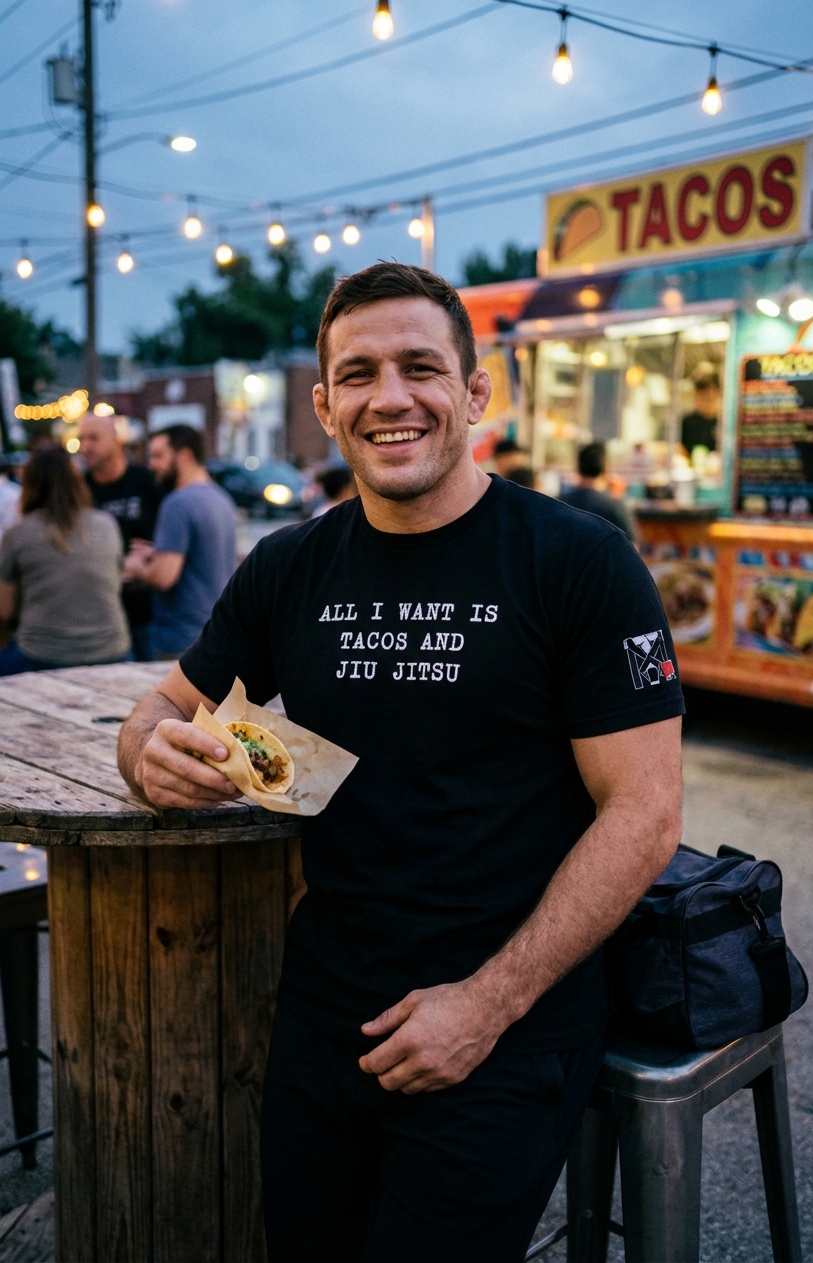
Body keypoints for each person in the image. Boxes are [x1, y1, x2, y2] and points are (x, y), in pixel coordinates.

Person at [117, 263, 683, 1263]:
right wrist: (145, 755)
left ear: (474, 392)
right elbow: (162, 704)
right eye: (359, 372)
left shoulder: (576, 560)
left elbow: (642, 812)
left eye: (420, 367)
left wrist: (485, 1005)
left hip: (506, 1020)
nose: (390, 397)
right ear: (324, 403)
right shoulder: (290, 564)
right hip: (323, 1004)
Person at [0, 444, 130, 673]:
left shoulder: (18, 532)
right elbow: (114, 586)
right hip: (112, 651)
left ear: (29, 484)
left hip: (41, 654)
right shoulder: (107, 524)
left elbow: (5, 610)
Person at [122, 424, 237, 660]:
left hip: (180, 641)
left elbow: (164, 577)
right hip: (215, 635)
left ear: (184, 456)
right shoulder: (221, 499)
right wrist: (159, 552)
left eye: (158, 456)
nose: (151, 464)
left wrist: (135, 566)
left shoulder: (177, 503)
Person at [80, 411, 161, 662]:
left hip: (144, 610)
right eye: (82, 439)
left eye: (93, 438)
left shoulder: (145, 482)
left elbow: (170, 537)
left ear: (116, 441)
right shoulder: (79, 489)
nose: (85, 447)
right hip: (97, 616)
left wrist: (156, 550)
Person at [560, 442, 635, 539]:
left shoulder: (560, 503)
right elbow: (633, 548)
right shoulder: (616, 507)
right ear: (605, 468)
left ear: (578, 467)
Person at [680, 362, 722, 455]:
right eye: (700, 398)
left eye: (709, 398)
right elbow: (679, 448)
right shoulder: (687, 422)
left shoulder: (725, 423)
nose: (705, 402)